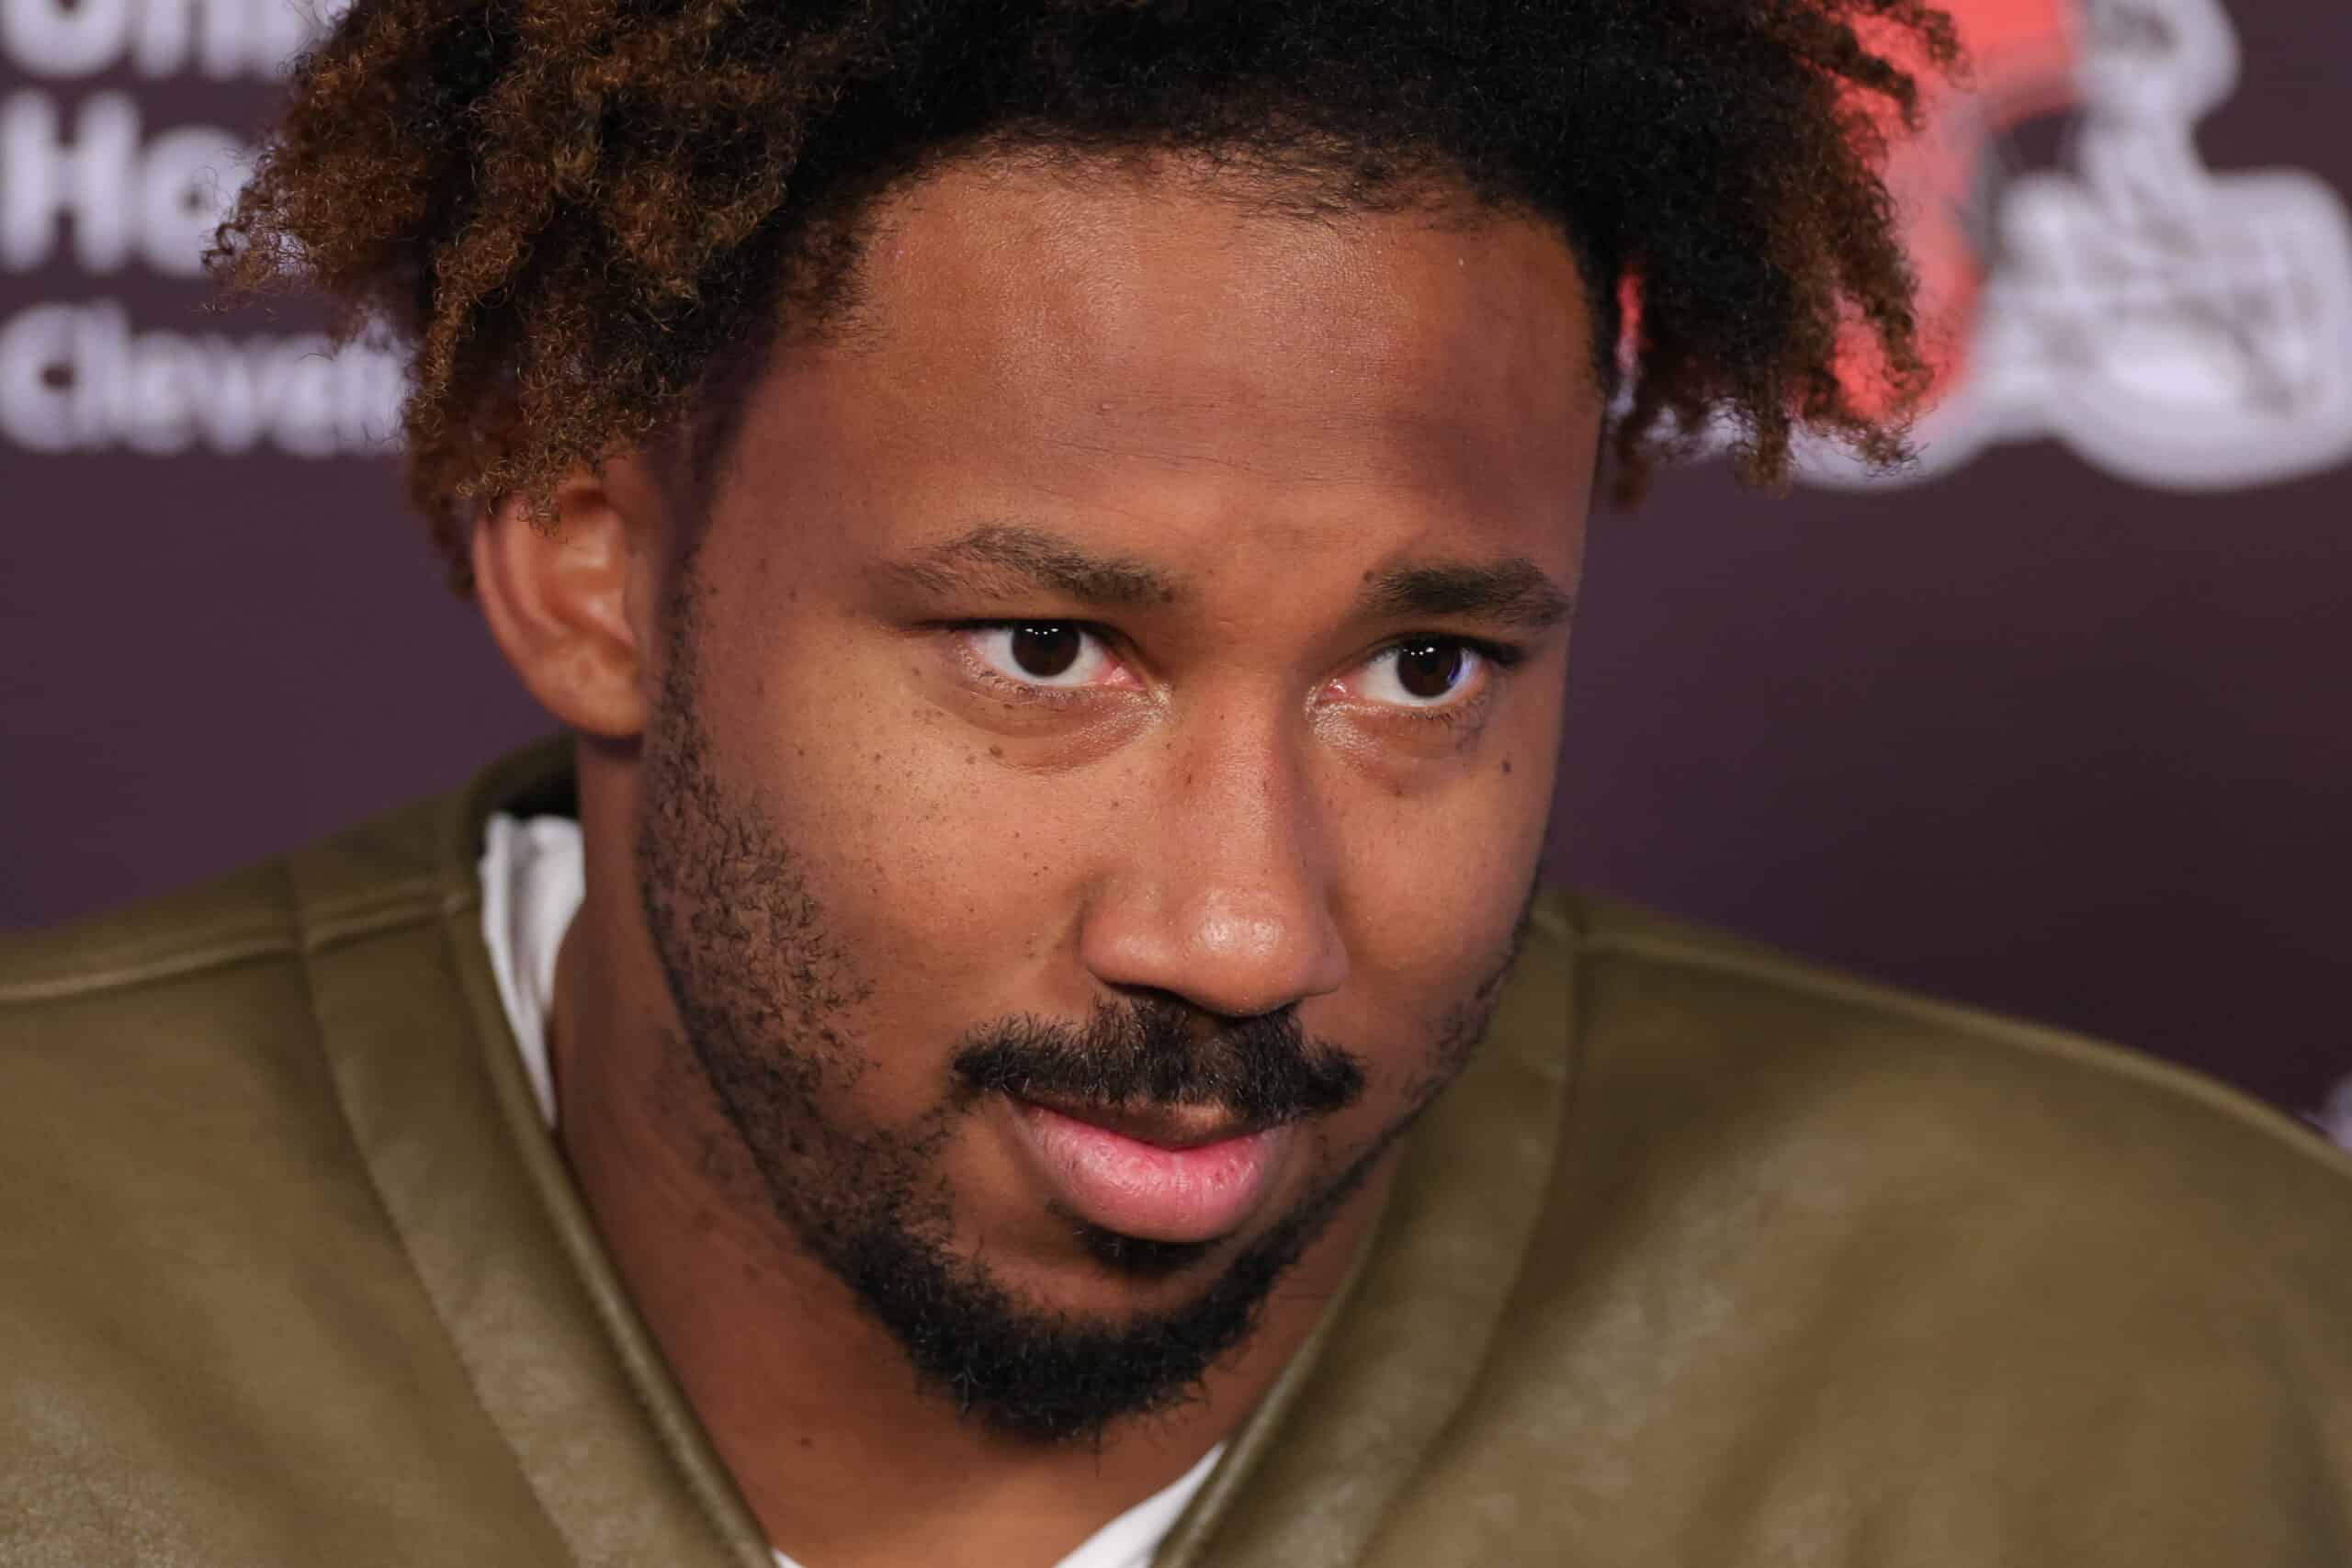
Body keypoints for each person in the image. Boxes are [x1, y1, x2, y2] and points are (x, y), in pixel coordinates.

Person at [3, 3, 2346, 1564]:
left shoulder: (2166, 1354)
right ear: (590, 560)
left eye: (1420, 666)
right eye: (1047, 649)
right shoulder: (54, 1303)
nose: (1241, 932)